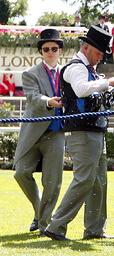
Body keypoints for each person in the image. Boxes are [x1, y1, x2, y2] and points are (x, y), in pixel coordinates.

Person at [42, 25, 114, 242]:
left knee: (99, 181)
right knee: (85, 179)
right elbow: (81, 89)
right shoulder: (76, 67)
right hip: (82, 131)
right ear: (86, 47)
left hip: (93, 130)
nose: (100, 57)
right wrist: (108, 82)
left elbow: (101, 97)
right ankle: (56, 225)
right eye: (99, 53)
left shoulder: (89, 69)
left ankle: (95, 229)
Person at [14, 29, 65, 234]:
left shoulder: (67, 73)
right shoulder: (30, 73)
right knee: (21, 172)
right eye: (46, 49)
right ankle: (39, 212)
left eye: (54, 48)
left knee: (52, 181)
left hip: (57, 132)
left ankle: (45, 225)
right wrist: (49, 101)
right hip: (33, 131)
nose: (50, 52)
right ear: (41, 51)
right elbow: (33, 97)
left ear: (60, 50)